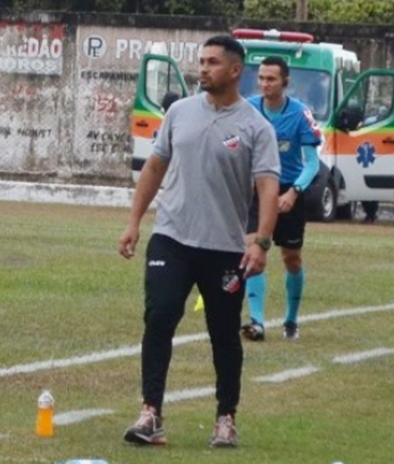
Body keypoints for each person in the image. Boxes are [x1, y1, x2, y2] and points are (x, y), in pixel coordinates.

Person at [117, 35, 280, 448]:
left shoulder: (255, 127)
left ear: (234, 70)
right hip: (171, 237)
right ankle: (150, 414)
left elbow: (267, 186)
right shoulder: (179, 112)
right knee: (159, 318)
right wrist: (134, 222)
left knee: (224, 333)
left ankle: (226, 418)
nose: (202, 69)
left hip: (224, 248)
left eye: (211, 62)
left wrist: (260, 241)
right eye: (201, 61)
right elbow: (155, 167)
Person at [241, 56, 322, 342]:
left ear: (285, 82)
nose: (264, 84)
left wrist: (293, 192)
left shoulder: (301, 114)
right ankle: (257, 322)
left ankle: (291, 319)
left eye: (271, 79)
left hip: (288, 190)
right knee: (252, 252)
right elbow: (233, 144)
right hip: (255, 191)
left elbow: (312, 163)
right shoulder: (247, 108)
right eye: (261, 78)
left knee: (292, 258)